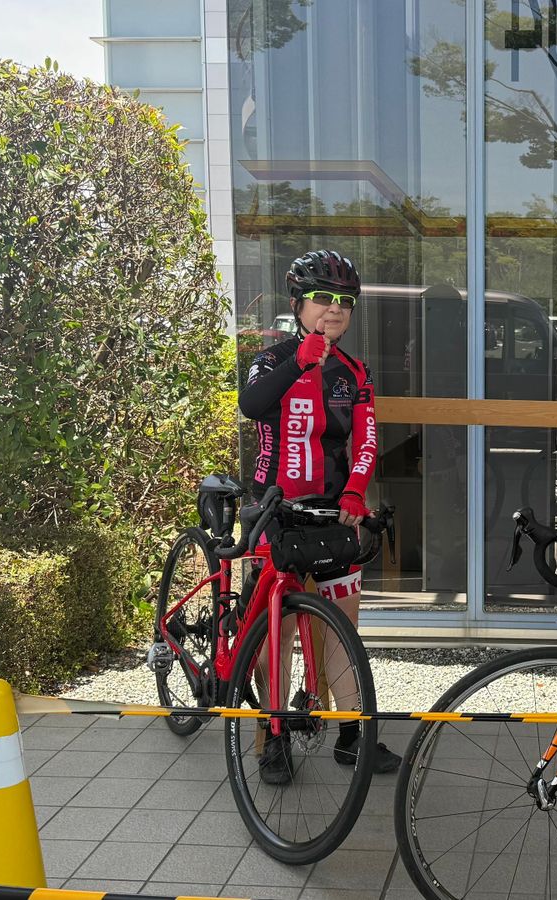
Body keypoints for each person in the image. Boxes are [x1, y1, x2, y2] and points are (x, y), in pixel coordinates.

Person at [237, 249, 401, 782]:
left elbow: (366, 439)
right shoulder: (271, 359)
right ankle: (274, 738)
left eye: (345, 302)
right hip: (275, 513)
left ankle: (352, 736)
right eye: (323, 298)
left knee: (343, 630)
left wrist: (354, 493)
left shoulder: (354, 372)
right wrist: (299, 363)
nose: (335, 308)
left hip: (333, 514)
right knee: (277, 634)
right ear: (298, 304)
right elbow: (251, 404)